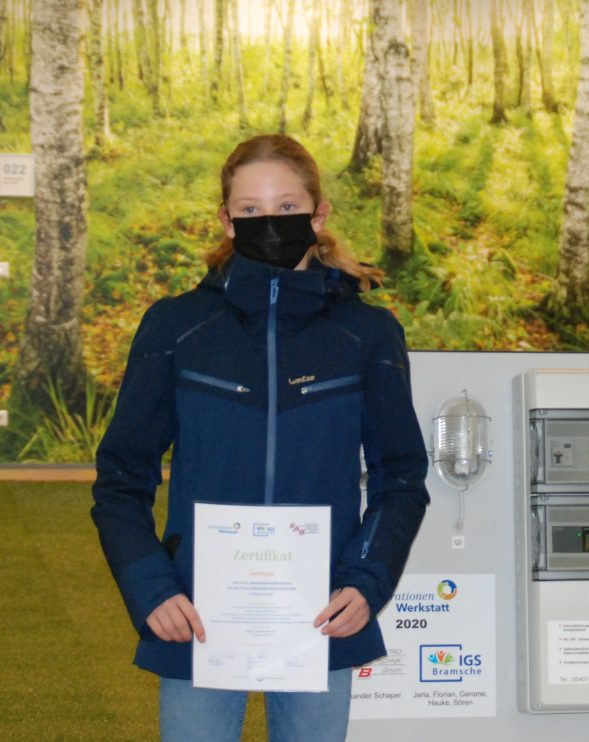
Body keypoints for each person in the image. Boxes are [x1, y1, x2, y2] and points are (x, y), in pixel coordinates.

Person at [91, 134, 430, 742]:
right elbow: (121, 478)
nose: (267, 222)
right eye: (249, 210)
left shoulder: (367, 333)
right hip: (197, 612)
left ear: (318, 214)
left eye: (285, 206)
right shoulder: (177, 327)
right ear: (225, 219)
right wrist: (151, 588)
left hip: (322, 612)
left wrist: (365, 582)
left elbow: (401, 477)